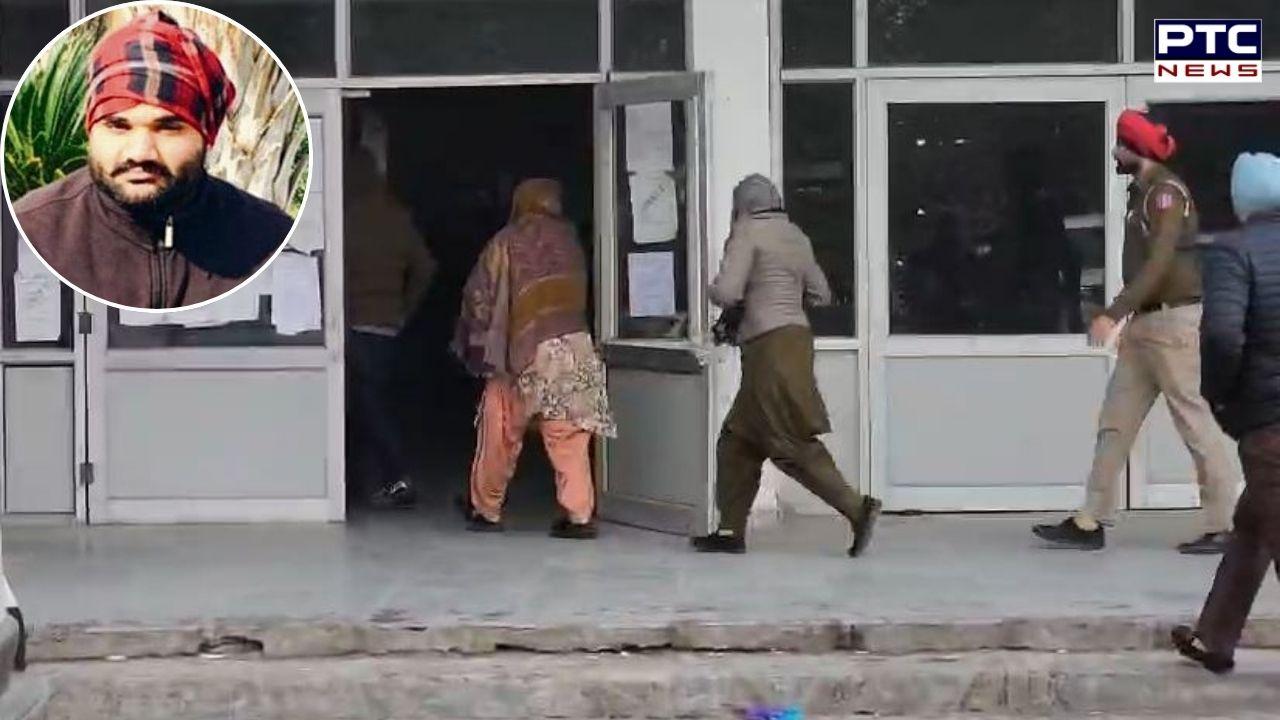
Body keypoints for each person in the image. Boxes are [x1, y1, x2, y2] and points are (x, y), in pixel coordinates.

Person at [1033, 110, 1239, 554]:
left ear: (1135, 150)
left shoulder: (1165, 195)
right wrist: (1128, 315)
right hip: (1146, 324)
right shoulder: (1143, 193)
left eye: (1119, 145)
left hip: (1172, 323)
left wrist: (1113, 313)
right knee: (1115, 422)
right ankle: (1090, 520)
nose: (1114, 152)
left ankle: (1226, 523)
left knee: (1194, 423)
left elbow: (1159, 263)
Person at [13, 11, 293, 309]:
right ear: (91, 129)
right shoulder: (31, 232)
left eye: (168, 128)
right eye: (117, 126)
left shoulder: (268, 237)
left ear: (206, 135)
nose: (140, 152)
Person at [692, 174, 881, 556]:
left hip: (769, 347)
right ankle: (730, 530)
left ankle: (856, 507)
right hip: (795, 341)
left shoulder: (747, 231)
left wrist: (711, 289)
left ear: (742, 206)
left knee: (787, 439)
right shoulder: (796, 236)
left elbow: (727, 291)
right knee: (738, 441)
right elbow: (821, 293)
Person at [453, 179, 613, 538]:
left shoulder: (507, 241)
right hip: (574, 347)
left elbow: (479, 294)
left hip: (523, 352)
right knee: (568, 434)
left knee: (499, 427)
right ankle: (579, 516)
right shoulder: (571, 241)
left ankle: (486, 509)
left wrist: (476, 339)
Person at [1173, 152, 1280, 674]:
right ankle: (1213, 638)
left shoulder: (1232, 252)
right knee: (1253, 527)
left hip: (1269, 421)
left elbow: (1220, 335)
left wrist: (1219, 397)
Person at [344, 145, 436, 509]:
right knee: (373, 405)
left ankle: (395, 477)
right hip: (387, 326)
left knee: (366, 410)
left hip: (352, 324)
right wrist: (405, 308)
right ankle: (367, 482)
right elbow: (426, 267)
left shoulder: (344, 217)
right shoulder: (397, 218)